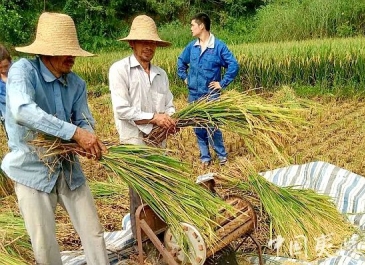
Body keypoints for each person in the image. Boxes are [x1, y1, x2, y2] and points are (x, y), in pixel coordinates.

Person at [1, 12, 109, 265]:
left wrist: (86, 134)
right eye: (65, 50)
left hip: (69, 168)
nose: (71, 56)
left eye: (73, 51)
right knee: (45, 244)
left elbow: (84, 120)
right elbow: (21, 110)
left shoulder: (76, 84)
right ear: (47, 51)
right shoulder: (23, 71)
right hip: (32, 169)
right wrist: (74, 133)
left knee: (94, 234)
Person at [108, 15, 176, 238]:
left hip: (158, 143)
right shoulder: (119, 70)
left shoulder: (160, 74)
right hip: (135, 143)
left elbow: (169, 104)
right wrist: (155, 118)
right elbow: (122, 110)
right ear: (132, 43)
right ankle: (143, 241)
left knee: (160, 189)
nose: (148, 47)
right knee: (139, 195)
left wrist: (171, 120)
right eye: (143, 42)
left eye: (152, 43)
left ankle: (162, 235)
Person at [177, 12, 239, 167]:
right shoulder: (192, 47)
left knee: (212, 127)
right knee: (198, 127)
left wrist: (222, 83)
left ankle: (222, 157)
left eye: (192, 25)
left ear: (201, 26)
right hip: (194, 95)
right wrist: (185, 78)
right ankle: (205, 157)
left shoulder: (218, 46)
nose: (190, 28)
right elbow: (181, 62)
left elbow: (233, 65)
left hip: (211, 95)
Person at [0, 44, 12, 119]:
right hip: (6, 118)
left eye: (6, 66)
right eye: (0, 67)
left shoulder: (18, 73)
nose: (4, 70)